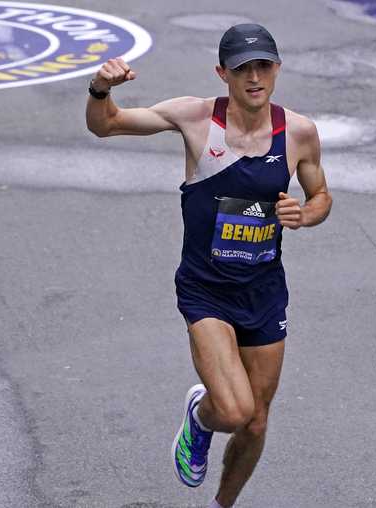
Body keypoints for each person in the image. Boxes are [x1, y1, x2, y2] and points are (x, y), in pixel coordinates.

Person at [85, 23, 332, 508]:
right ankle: (200, 415)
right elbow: (105, 124)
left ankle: (222, 504)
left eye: (263, 66)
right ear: (223, 73)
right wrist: (99, 89)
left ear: (277, 68)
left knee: (257, 420)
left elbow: (321, 195)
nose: (254, 77)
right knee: (235, 410)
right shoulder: (196, 119)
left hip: (264, 293)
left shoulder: (299, 131)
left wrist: (304, 214)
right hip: (207, 293)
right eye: (243, 68)